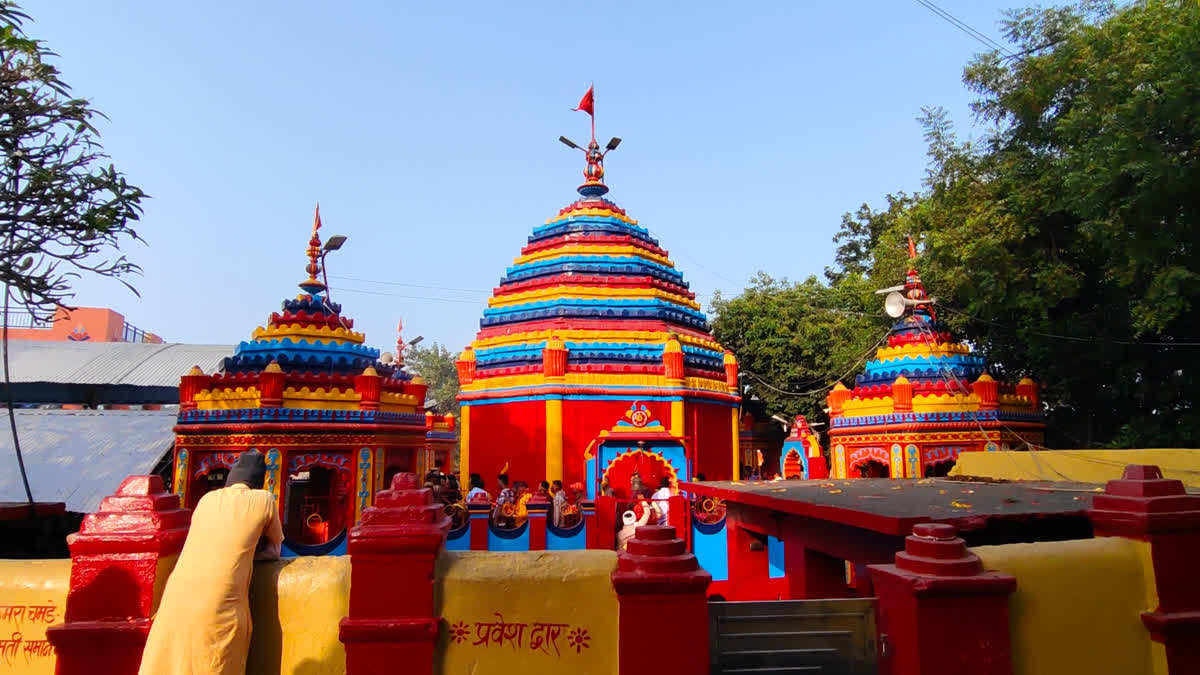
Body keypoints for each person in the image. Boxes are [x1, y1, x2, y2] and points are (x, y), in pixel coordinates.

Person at [138, 450, 284, 675]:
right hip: (220, 602)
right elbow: (275, 549)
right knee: (215, 663)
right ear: (258, 481)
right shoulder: (263, 499)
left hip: (176, 597)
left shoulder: (206, 499)